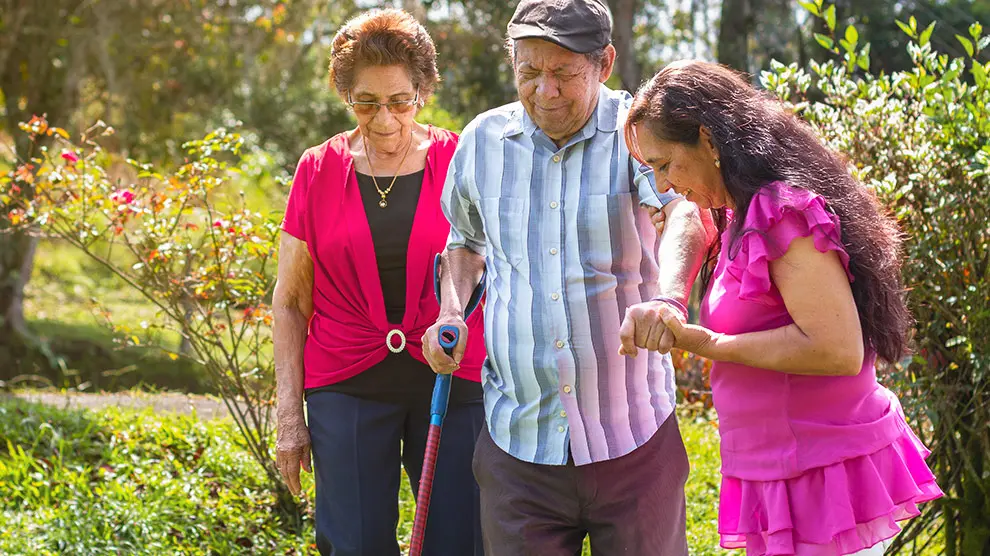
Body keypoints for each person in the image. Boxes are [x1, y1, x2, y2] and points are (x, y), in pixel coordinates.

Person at [421, 1, 710, 553]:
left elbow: (684, 213)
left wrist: (671, 299)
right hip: (518, 450)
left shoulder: (638, 137)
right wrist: (451, 311)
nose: (544, 91)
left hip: (633, 440)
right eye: (529, 72)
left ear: (603, 63)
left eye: (563, 74)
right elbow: (463, 243)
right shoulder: (482, 142)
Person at [624, 60, 943, 556]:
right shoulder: (738, 213)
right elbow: (689, 220)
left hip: (820, 473)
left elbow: (836, 348)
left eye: (665, 164)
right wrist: (670, 295)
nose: (662, 185)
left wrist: (709, 344)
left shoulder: (780, 212)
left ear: (709, 141)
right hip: (783, 469)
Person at [272, 9, 486, 555]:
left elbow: (494, 262)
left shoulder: (461, 157)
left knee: (458, 542)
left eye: (400, 101)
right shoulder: (317, 170)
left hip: (450, 374)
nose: (385, 118)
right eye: (366, 103)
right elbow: (292, 302)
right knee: (354, 544)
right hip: (345, 384)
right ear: (346, 96)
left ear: (423, 90)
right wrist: (288, 416)